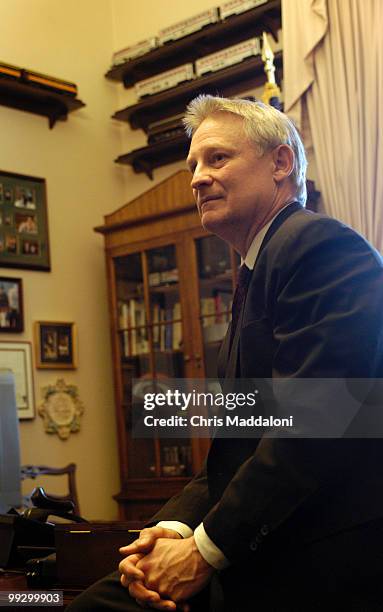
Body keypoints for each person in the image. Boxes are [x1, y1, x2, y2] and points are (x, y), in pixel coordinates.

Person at [68, 96, 383, 611]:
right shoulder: (254, 272)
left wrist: (203, 551)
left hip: (317, 558)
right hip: (260, 541)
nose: (195, 178)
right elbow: (235, 451)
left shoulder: (319, 246)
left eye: (216, 159)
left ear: (281, 164)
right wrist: (167, 531)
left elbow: (315, 426)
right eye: (193, 164)